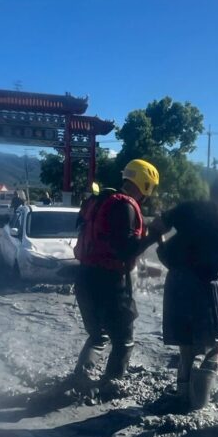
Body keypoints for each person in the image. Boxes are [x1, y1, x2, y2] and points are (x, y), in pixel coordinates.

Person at [149, 171, 218, 410]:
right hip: (205, 287)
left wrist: (163, 254)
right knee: (212, 345)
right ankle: (199, 404)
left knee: (186, 346)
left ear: (212, 191)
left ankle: (182, 395)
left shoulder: (188, 208)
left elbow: (156, 226)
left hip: (176, 284)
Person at [72, 159, 160, 384]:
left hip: (84, 277)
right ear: (145, 184)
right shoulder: (126, 206)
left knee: (98, 336)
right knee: (123, 341)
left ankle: (79, 381)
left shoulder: (100, 200)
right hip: (109, 282)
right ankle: (111, 387)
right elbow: (126, 249)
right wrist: (152, 237)